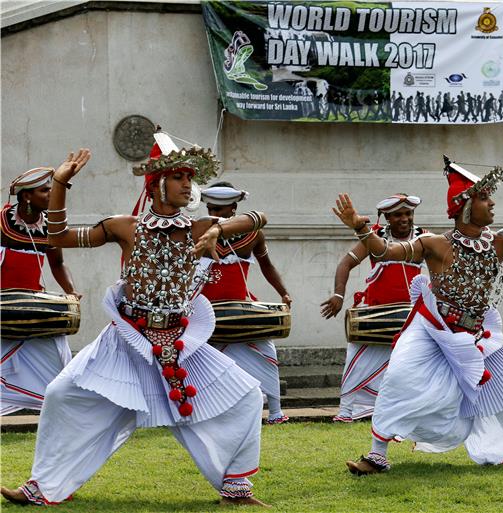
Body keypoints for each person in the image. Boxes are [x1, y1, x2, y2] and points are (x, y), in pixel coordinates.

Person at [1, 133, 270, 507]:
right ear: (157, 183)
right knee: (60, 395)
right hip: (126, 340)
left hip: (178, 342)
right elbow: (58, 237)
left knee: (247, 396)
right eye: (179, 177)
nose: (187, 184)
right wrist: (61, 183)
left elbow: (258, 218)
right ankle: (42, 486)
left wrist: (218, 229)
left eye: (190, 178)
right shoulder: (125, 226)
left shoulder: (199, 226)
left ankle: (236, 488)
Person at [336, 156, 503, 475]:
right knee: (398, 377)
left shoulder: (500, 239)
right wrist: (360, 226)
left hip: (475, 334)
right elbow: (386, 251)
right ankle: (376, 455)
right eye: (484, 197)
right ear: (464, 206)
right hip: (432, 330)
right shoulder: (434, 244)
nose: (492, 203)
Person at [320, 193, 427, 422]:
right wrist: (339, 294)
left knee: (411, 365)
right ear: (387, 216)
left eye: (408, 213)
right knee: (356, 360)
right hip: (376, 311)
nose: (404, 218)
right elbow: (346, 263)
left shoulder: (424, 238)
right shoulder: (375, 236)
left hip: (409, 315)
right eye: (398, 214)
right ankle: (346, 411)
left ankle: (404, 411)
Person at [199, 182, 292, 425]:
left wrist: (283, 292)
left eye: (220, 210)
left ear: (234, 208)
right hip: (205, 308)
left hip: (241, 307)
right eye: (211, 208)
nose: (215, 214)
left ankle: (275, 411)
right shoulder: (197, 231)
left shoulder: (253, 234)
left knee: (266, 352)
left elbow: (267, 266)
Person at [1, 167, 79, 415]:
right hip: (4, 306)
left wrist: (71, 292)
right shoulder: (1, 221)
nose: (50, 195)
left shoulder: (50, 228)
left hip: (33, 307)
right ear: (26, 196)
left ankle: (56, 406)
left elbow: (57, 263)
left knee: (57, 355)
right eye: (45, 191)